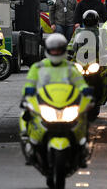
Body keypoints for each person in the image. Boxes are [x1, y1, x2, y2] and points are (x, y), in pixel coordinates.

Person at [22, 33, 91, 168]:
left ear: (64, 50)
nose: (56, 52)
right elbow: (30, 84)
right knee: (27, 116)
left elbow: (80, 83)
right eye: (53, 49)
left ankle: (82, 149)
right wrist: (28, 92)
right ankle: (30, 145)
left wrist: (85, 90)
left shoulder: (71, 68)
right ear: (48, 50)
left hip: (66, 103)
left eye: (58, 49)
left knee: (83, 118)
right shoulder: (38, 67)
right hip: (46, 102)